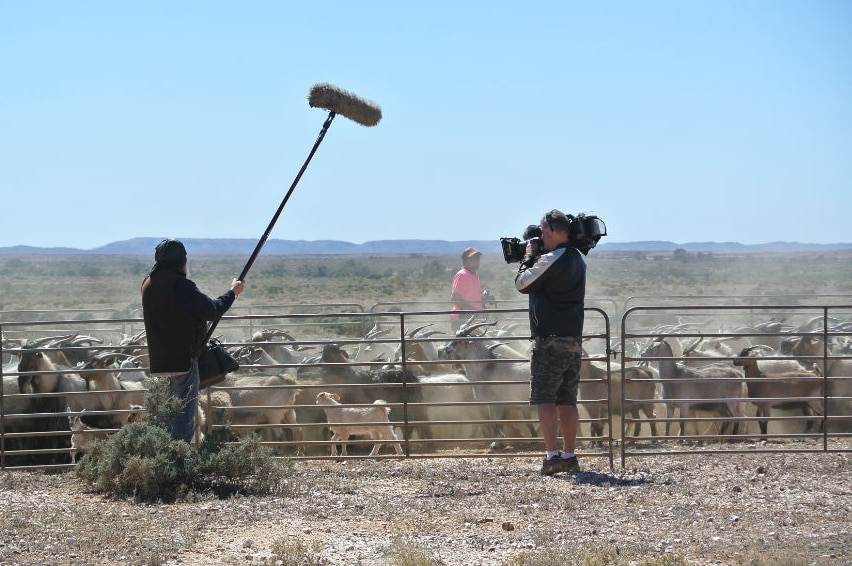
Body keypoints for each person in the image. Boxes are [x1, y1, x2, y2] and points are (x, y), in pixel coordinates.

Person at [141, 238, 244, 443]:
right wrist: (233, 293)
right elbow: (212, 310)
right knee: (184, 413)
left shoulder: (147, 283)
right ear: (181, 261)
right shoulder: (180, 284)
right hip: (181, 359)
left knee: (168, 412)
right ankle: (178, 463)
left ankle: (164, 457)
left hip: (159, 361)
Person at [514, 210, 586, 475]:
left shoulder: (551, 259)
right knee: (567, 399)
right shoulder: (577, 258)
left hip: (549, 340)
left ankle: (551, 456)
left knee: (545, 398)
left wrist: (528, 257)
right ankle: (569, 456)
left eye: (543, 232)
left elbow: (522, 283)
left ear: (553, 231)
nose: (540, 236)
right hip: (573, 339)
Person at [450, 247, 483, 332]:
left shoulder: (474, 275)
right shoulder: (462, 275)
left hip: (470, 318)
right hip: (461, 318)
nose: (476, 261)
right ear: (465, 262)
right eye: (473, 259)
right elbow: (455, 299)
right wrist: (474, 311)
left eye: (478, 258)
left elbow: (471, 296)